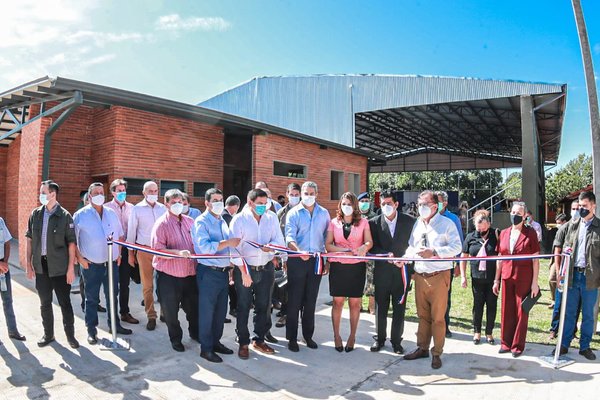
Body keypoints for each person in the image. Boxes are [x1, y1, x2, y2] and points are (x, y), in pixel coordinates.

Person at [401, 190, 462, 369]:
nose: (421, 208)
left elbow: (456, 247)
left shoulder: (447, 224)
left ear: (435, 206)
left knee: (438, 318)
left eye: (425, 204)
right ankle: (422, 348)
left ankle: (437, 353)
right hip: (420, 276)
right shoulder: (418, 224)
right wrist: (403, 259)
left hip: (439, 276)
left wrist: (435, 253)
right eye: (419, 204)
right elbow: (412, 246)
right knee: (423, 316)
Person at [74, 182, 133, 345]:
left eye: (102, 192)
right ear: (90, 196)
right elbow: (73, 240)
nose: (100, 194)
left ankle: (114, 325)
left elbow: (120, 236)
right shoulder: (80, 215)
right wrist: (80, 259)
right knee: (91, 299)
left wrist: (119, 253)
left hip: (111, 263)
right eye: (96, 192)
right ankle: (91, 330)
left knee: (112, 296)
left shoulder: (111, 213)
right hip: (91, 265)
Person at [230, 188, 285, 359]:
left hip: (266, 268)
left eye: (265, 203)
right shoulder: (239, 220)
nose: (263, 206)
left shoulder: (271, 218)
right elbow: (233, 248)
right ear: (250, 202)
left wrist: (272, 247)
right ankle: (243, 342)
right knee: (244, 306)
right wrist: (243, 272)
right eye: (259, 204)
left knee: (264, 306)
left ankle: (259, 339)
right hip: (245, 269)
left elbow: (279, 240)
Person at [25, 180, 79, 349]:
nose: (40, 195)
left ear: (52, 194)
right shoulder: (35, 214)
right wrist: (28, 263)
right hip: (41, 267)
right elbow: (29, 240)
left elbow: (72, 244)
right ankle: (48, 335)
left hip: (60, 268)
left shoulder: (65, 216)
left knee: (65, 303)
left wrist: (71, 268)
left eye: (43, 192)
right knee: (45, 303)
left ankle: (71, 336)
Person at [192, 188, 240, 363]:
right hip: (208, 273)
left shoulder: (222, 221)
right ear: (206, 203)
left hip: (223, 273)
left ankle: (216, 342)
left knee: (221, 311)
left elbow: (229, 248)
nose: (219, 203)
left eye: (221, 199)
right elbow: (204, 247)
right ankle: (206, 348)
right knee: (207, 312)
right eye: (215, 200)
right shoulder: (201, 222)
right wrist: (228, 243)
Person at [150, 189, 199, 352]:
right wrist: (177, 253)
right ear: (166, 204)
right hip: (169, 276)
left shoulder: (190, 221)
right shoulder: (161, 224)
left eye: (181, 202)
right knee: (171, 312)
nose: (178, 205)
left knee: (193, 309)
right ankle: (176, 338)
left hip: (190, 274)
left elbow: (196, 245)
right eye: (174, 202)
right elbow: (157, 250)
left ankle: (195, 333)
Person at [284, 181, 330, 352]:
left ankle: (308, 336)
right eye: (305, 192)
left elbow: (327, 239)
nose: (308, 196)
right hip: (297, 260)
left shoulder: (324, 213)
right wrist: (299, 251)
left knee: (311, 300)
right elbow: (289, 238)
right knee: (294, 300)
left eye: (311, 193)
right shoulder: (293, 213)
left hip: (316, 260)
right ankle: (292, 338)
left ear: (316, 194)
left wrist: (327, 261)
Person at [368, 190, 415, 354]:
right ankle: (380, 339)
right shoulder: (373, 223)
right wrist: (382, 254)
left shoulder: (409, 221)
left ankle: (396, 341)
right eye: (383, 204)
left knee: (399, 307)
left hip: (401, 272)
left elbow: (414, 245)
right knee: (381, 307)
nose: (386, 206)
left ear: (396, 204)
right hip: (382, 272)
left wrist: (408, 264)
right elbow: (371, 246)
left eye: (389, 203)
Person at [325, 192, 373, 352]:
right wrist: (344, 251)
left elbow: (369, 241)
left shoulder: (364, 222)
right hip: (338, 267)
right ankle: (336, 336)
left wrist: (364, 247)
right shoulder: (333, 223)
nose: (347, 207)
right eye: (344, 204)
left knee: (355, 303)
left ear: (355, 206)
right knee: (338, 302)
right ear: (340, 205)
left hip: (356, 267)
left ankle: (352, 336)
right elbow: (328, 245)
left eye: (350, 204)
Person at [555, 191, 600, 360]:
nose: (581, 209)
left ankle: (585, 346)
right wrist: (560, 272)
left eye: (585, 206)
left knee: (588, 314)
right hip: (572, 277)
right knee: (569, 312)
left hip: (590, 278)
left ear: (593, 206)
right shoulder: (571, 225)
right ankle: (564, 345)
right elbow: (558, 245)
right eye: (579, 206)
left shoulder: (599, 227)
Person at [493, 201, 540, 358]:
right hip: (506, 277)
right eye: (513, 213)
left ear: (525, 216)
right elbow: (500, 258)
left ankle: (517, 345)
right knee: (507, 310)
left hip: (523, 278)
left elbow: (535, 259)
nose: (515, 216)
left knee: (521, 311)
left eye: (519, 214)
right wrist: (496, 280)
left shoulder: (530, 233)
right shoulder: (504, 233)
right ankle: (505, 343)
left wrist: (534, 283)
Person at [127, 181, 166, 330]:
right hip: (144, 251)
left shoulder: (163, 208)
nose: (153, 194)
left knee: (164, 285)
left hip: (161, 251)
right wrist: (131, 254)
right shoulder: (137, 209)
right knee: (147, 286)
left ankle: (164, 312)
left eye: (155, 191)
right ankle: (151, 316)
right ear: (144, 193)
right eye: (150, 191)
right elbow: (131, 232)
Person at [460, 210, 499, 345]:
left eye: (483, 227)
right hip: (476, 278)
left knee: (492, 305)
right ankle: (477, 332)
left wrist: (497, 280)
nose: (481, 230)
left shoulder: (496, 235)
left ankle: (489, 332)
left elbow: (501, 257)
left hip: (492, 277)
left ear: (488, 224)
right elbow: (463, 257)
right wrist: (463, 276)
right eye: (478, 227)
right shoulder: (470, 237)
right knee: (478, 305)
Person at [104, 178, 139, 325]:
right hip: (111, 250)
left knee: (125, 283)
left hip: (126, 250)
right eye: (119, 191)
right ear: (113, 192)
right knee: (111, 284)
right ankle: (111, 314)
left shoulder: (132, 207)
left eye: (124, 190)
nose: (122, 193)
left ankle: (124, 312)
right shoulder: (106, 208)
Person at [549, 202, 582, 339]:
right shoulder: (564, 228)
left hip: (579, 272)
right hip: (563, 271)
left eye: (578, 208)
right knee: (559, 302)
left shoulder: (585, 228)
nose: (576, 211)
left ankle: (572, 330)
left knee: (575, 304)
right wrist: (558, 271)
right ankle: (554, 329)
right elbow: (557, 250)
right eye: (574, 209)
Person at [435, 191, 464, 338]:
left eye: (438, 201)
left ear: (445, 203)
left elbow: (459, 241)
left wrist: (458, 263)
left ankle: (445, 325)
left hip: (447, 265)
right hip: (429, 266)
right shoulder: (427, 218)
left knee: (446, 295)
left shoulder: (453, 219)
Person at [274, 183, 301, 329]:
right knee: (285, 285)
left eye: (297, 195)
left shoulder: (305, 211)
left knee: (299, 287)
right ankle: (285, 313)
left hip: (302, 256)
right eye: (292, 194)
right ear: (287, 194)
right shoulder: (282, 213)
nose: (294, 197)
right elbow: (279, 236)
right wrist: (282, 257)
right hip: (286, 255)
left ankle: (296, 313)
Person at [0, 216, 26, 343]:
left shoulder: (0, 221)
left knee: (8, 300)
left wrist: (4, 262)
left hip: (3, 269)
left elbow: (7, 243)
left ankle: (13, 330)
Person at [222, 194, 240, 320]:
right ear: (236, 206)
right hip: (226, 257)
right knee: (230, 284)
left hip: (225, 256)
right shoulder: (227, 218)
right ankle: (233, 308)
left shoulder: (223, 215)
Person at [357, 192, 377, 314]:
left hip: (371, 254)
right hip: (357, 255)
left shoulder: (375, 218)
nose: (364, 203)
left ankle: (372, 306)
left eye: (366, 201)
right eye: (362, 201)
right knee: (358, 278)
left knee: (372, 279)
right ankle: (358, 305)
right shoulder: (354, 217)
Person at [548, 213, 568, 310]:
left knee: (560, 280)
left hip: (564, 259)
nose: (557, 225)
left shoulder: (568, 230)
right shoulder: (558, 231)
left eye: (559, 223)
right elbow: (555, 247)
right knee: (552, 280)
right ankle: (554, 300)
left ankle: (562, 301)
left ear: (564, 222)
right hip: (555, 258)